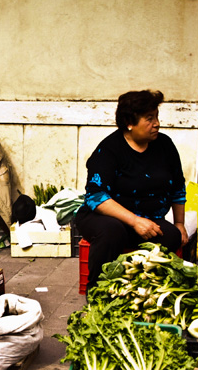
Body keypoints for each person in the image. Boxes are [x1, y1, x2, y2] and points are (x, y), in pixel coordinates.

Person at [74, 90, 188, 293]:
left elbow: (178, 186)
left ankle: (141, 290)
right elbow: (96, 196)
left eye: (157, 117)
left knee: (171, 235)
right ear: (129, 122)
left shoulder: (165, 146)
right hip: (105, 217)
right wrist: (134, 221)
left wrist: (179, 224)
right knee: (112, 231)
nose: (157, 124)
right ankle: (99, 292)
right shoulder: (109, 150)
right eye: (149, 119)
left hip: (148, 217)